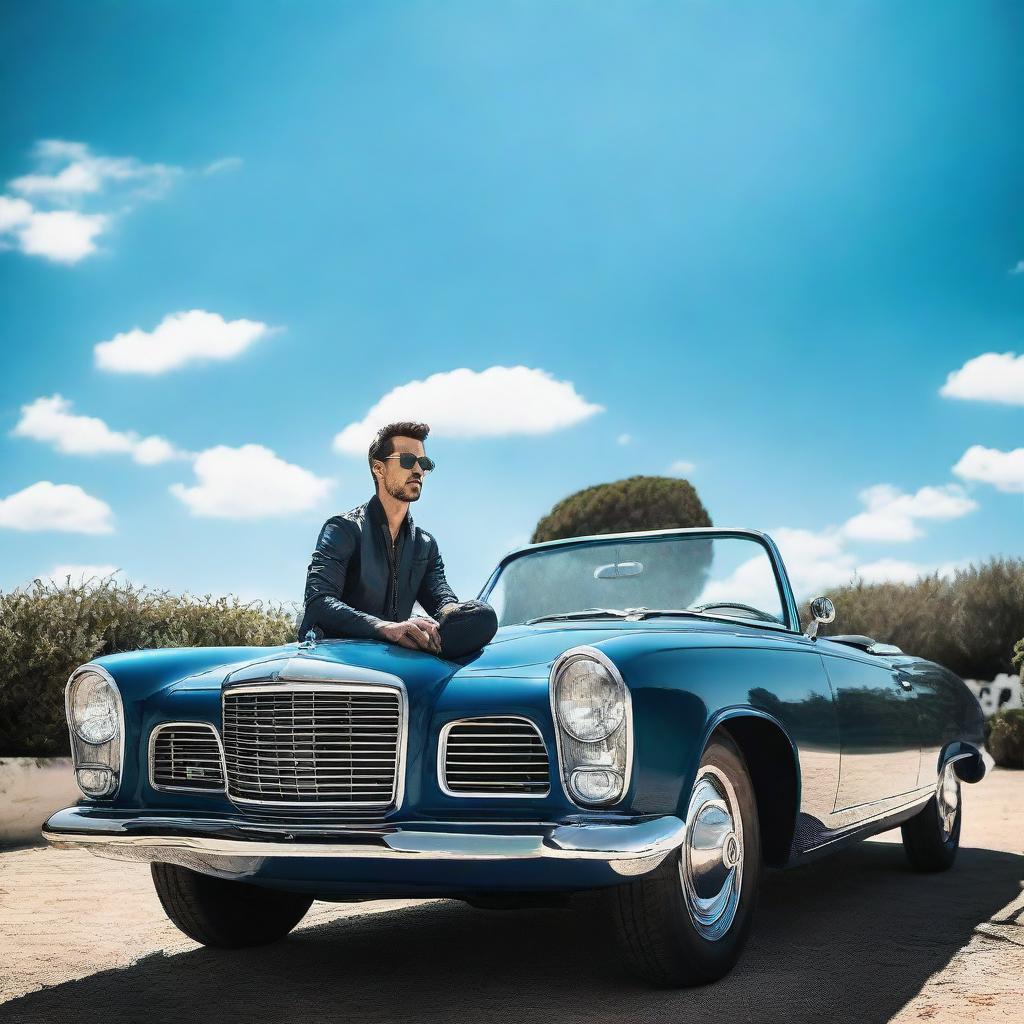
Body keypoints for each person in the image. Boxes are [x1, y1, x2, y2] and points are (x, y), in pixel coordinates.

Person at [298, 421, 496, 657]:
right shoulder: (343, 529)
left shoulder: (425, 545)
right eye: (407, 461)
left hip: (395, 663)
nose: (418, 471)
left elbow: (443, 601)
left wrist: (455, 615)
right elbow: (318, 603)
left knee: (484, 616)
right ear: (378, 469)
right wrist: (385, 628)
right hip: (339, 662)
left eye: (424, 463)